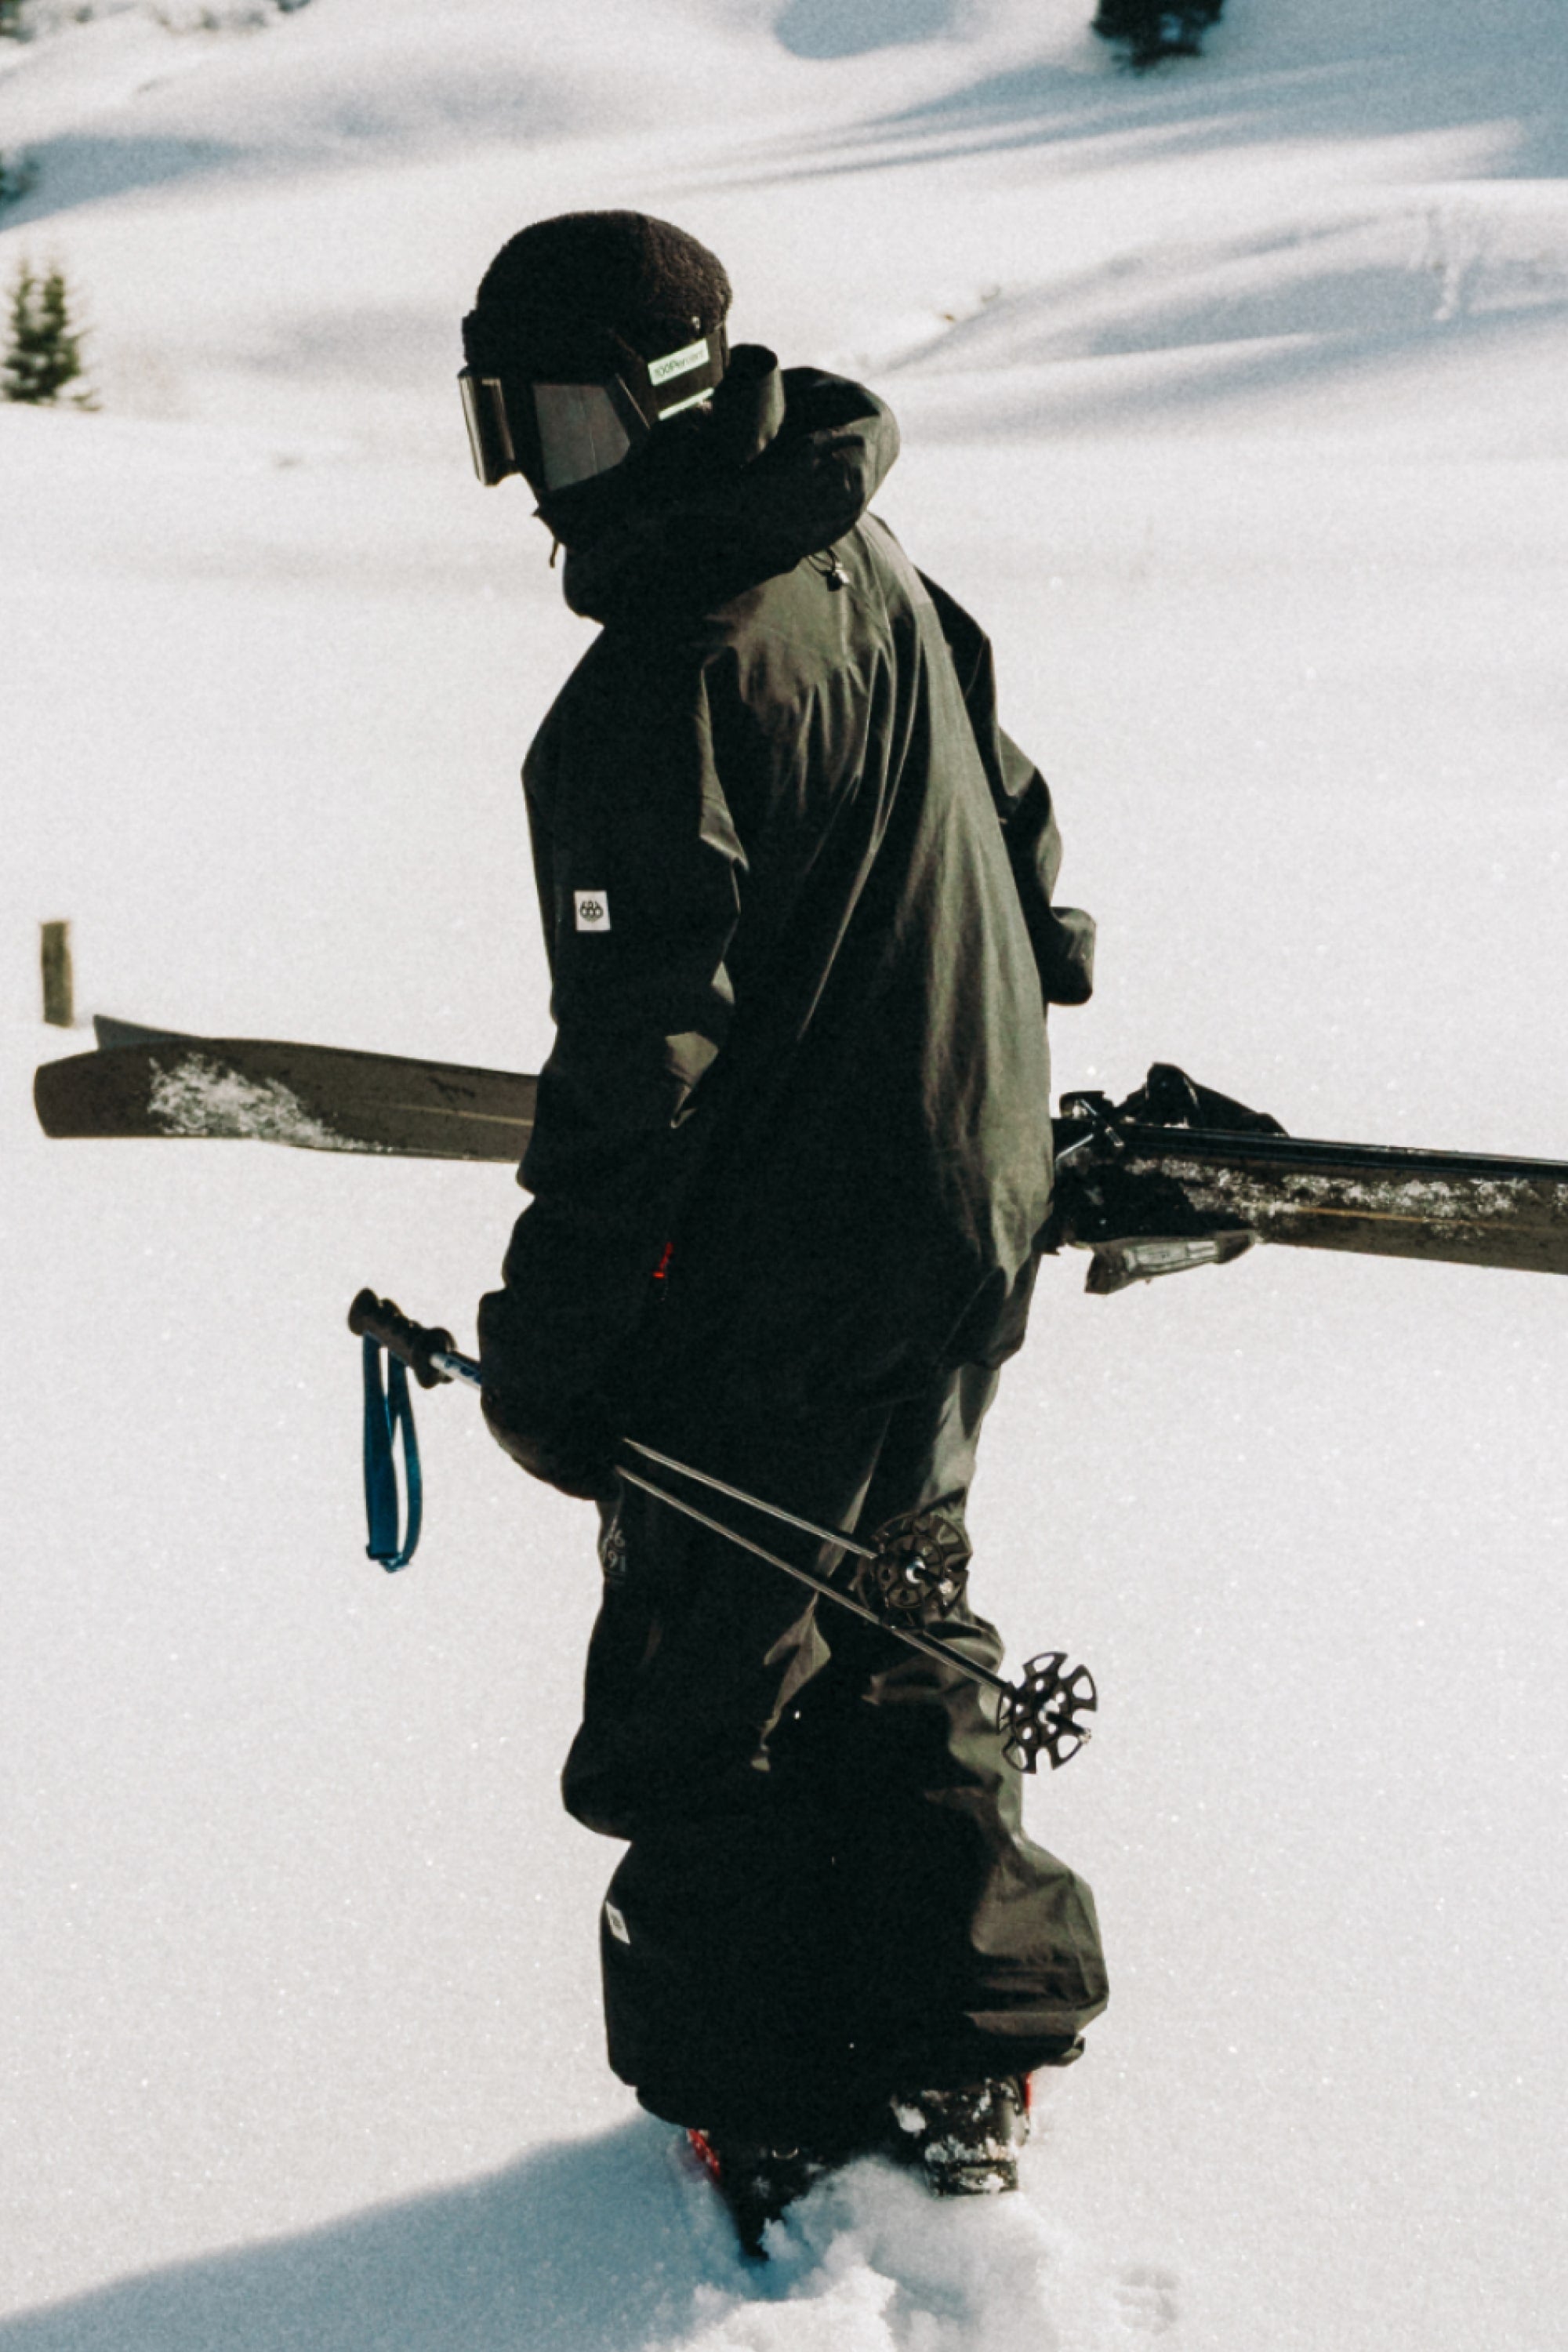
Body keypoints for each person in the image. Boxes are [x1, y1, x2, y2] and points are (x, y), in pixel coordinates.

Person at [463, 211, 1108, 2250]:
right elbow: (1015, 821)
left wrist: (560, 1349)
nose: (536, 480)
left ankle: (779, 2111)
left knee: (711, 1678)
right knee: (894, 1611)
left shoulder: (659, 683)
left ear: (660, 400)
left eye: (554, 422)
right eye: (503, 428)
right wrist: (999, 1035)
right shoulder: (860, 557)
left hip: (793, 1265)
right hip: (959, 1215)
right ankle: (955, 2040)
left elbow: (643, 1061)